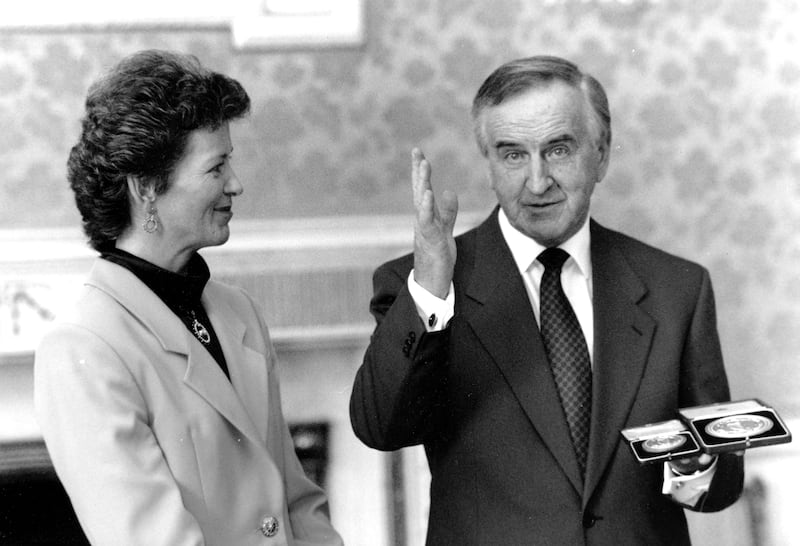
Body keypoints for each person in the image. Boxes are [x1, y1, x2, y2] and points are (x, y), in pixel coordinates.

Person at [350, 55, 744, 545]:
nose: (537, 183)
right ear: (489, 164)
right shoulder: (429, 285)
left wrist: (697, 467)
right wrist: (431, 285)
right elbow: (378, 428)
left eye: (558, 150)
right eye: (513, 155)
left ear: (601, 154)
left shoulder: (676, 288)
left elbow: (722, 480)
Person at [34, 50, 342, 546]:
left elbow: (297, 502)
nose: (235, 184)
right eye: (216, 168)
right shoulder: (83, 349)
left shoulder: (238, 311)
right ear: (146, 188)